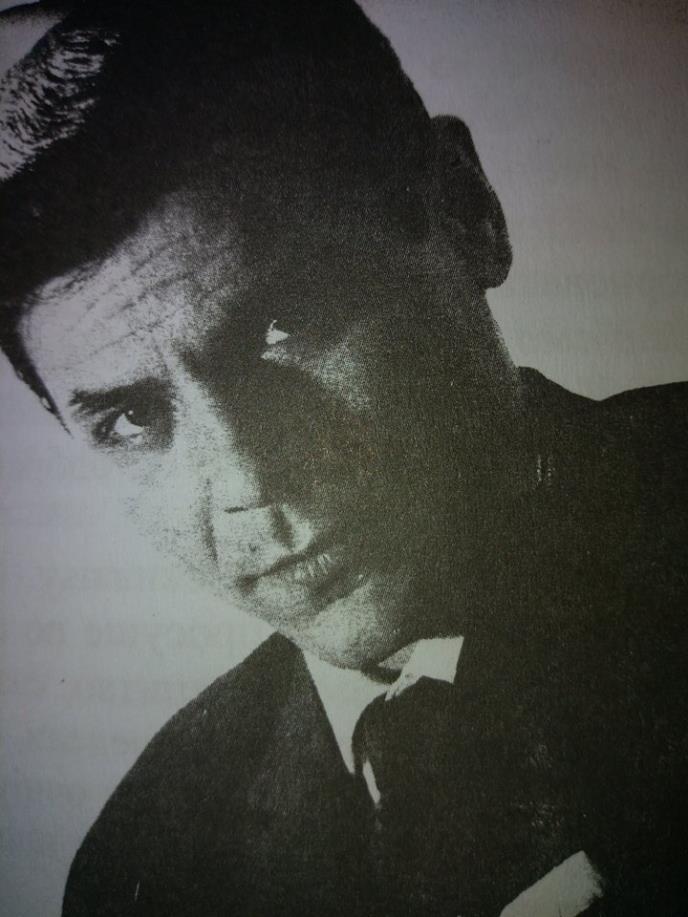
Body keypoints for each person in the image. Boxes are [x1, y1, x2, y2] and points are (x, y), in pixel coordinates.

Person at [1, 1, 686, 915]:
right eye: (132, 418)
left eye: (283, 325)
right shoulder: (151, 861)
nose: (248, 478)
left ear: (465, 211)